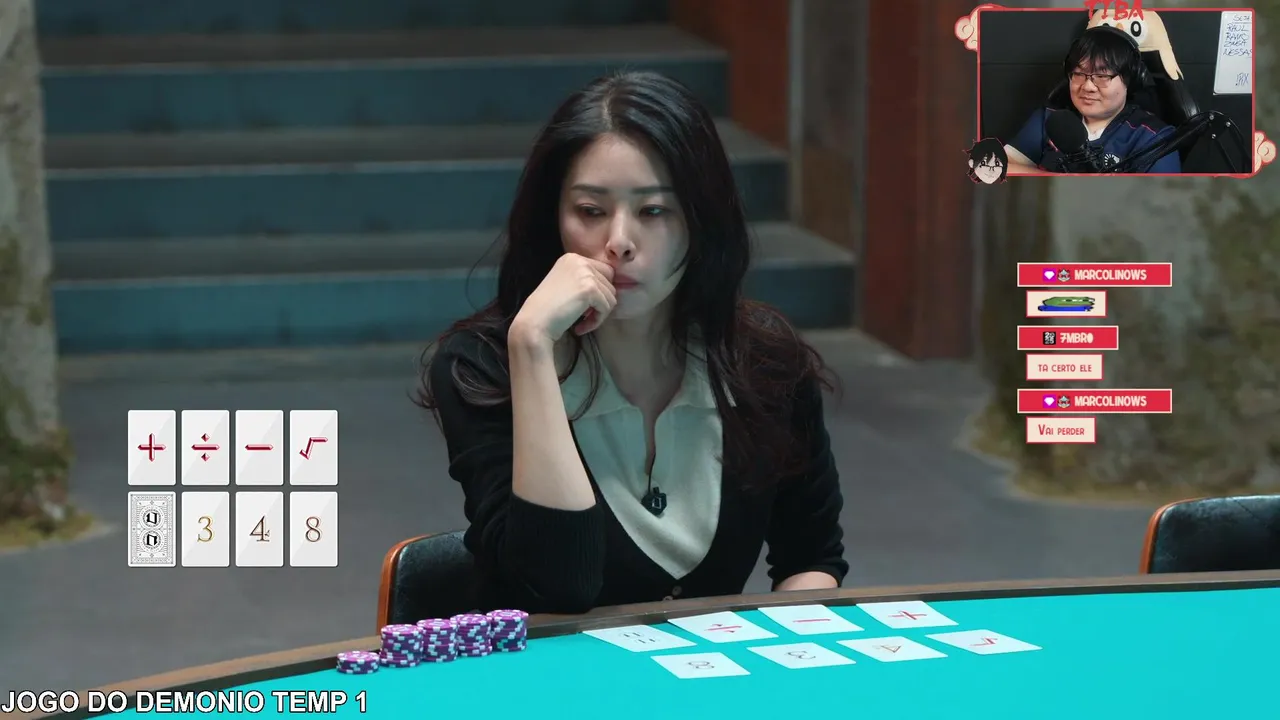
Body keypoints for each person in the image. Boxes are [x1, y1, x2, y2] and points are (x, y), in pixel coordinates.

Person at [416, 71, 847, 614]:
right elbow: (556, 588)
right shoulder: (485, 366)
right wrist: (531, 346)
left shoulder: (766, 362)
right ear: (553, 220)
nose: (619, 241)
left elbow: (811, 558)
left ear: (702, 222)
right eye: (591, 211)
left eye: (654, 211)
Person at [1004, 25, 1180, 174]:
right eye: (1079, 74)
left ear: (1129, 80)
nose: (1088, 86)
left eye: (1102, 76)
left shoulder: (1152, 137)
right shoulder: (1050, 118)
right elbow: (999, 168)